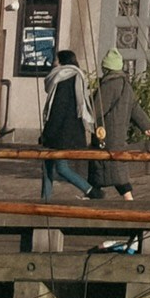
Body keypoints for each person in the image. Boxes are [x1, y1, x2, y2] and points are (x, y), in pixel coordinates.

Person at [34, 56, 104, 201]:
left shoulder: (62, 78)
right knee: (48, 165)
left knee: (60, 167)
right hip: (68, 131)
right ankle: (45, 199)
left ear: (62, 61)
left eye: (56, 59)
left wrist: (47, 133)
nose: (53, 62)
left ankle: (91, 191)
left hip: (60, 133)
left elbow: (58, 110)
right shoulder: (75, 76)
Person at [86, 50, 147, 200]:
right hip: (119, 134)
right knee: (116, 169)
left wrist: (85, 116)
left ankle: (94, 196)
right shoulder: (126, 85)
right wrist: (146, 125)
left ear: (107, 68)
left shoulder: (109, 85)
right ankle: (127, 199)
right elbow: (135, 108)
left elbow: (97, 109)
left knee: (102, 166)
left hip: (105, 134)